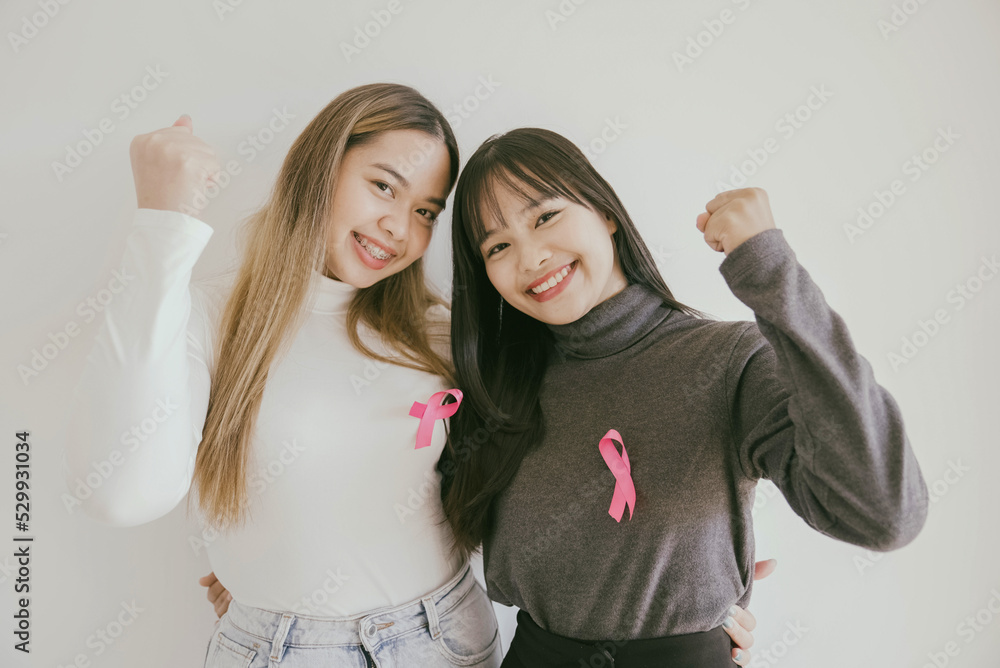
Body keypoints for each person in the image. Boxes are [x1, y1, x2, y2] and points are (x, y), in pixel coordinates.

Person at [437, 127, 930, 667]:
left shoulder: (727, 360)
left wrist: (771, 270)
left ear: (605, 213)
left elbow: (883, 513)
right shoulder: (498, 387)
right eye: (499, 246)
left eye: (545, 216)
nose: (530, 256)